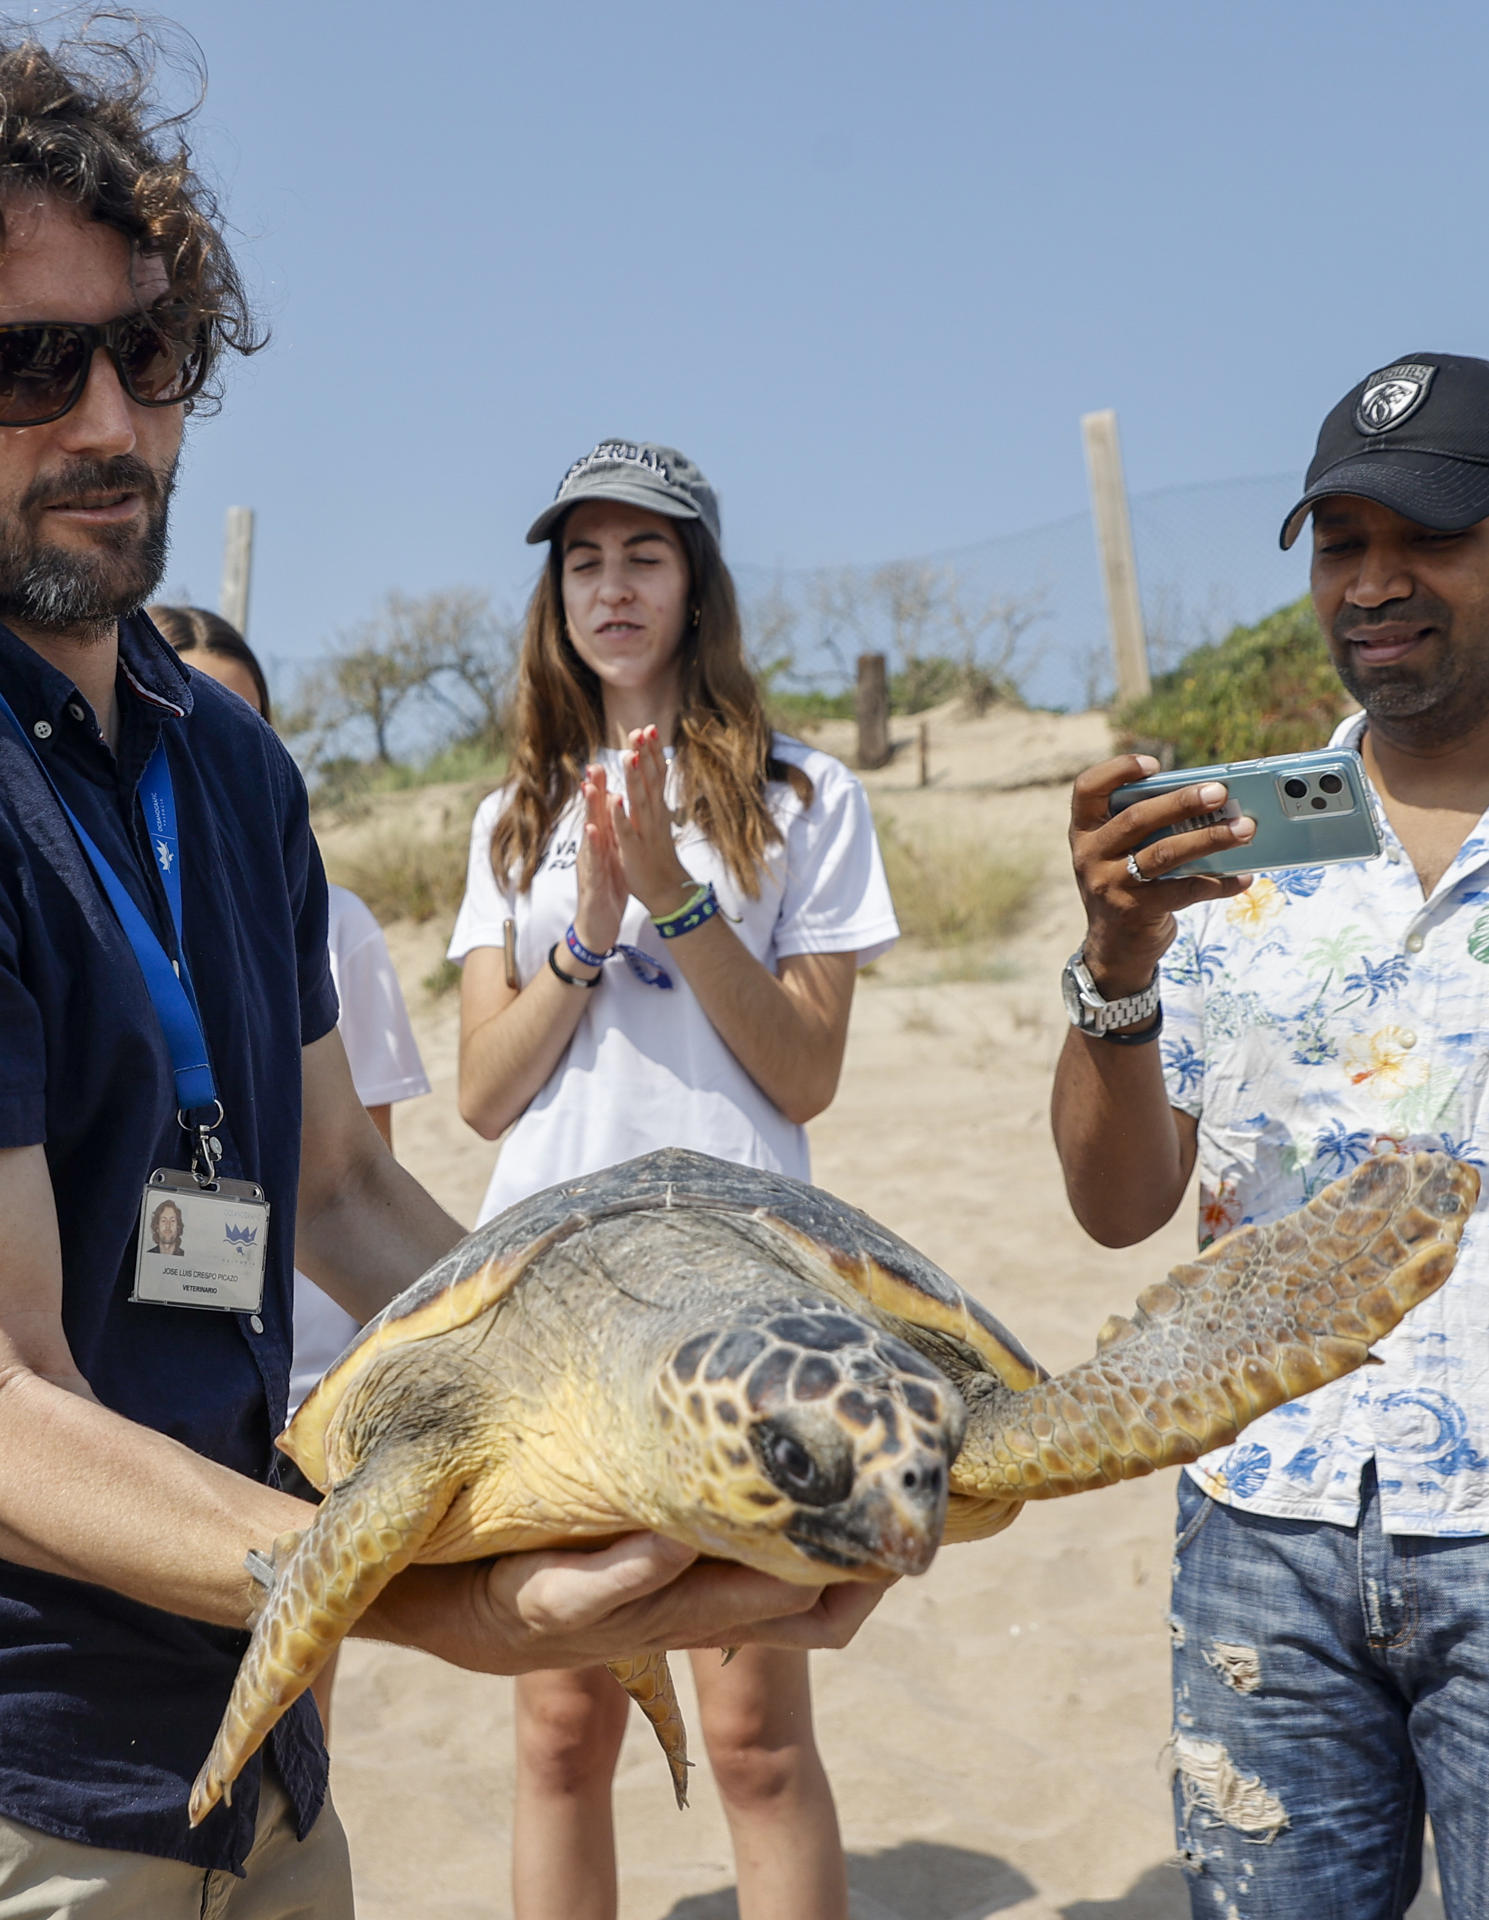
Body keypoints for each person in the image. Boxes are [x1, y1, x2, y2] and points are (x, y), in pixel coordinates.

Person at [0, 34, 884, 1917]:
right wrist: (429, 1592)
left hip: (264, 1737)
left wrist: (628, 1400)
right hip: (40, 1773)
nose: (101, 421)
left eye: (142, 357)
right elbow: (7, 1402)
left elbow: (338, 1186)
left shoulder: (222, 760)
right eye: (25, 363)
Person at [1051, 353, 1489, 1917]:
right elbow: (1119, 1209)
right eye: (1339, 543)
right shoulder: (1235, 852)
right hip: (1261, 1523)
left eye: (1426, 536)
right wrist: (1116, 969)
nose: (1374, 584)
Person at [448, 437, 900, 1920]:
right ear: (554, 593)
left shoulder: (804, 795)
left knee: (756, 1738)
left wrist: (677, 897)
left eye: (643, 554)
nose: (611, 585)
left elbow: (804, 1072)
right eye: (582, 558)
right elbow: (483, 1090)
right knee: (562, 1724)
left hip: (745, 1309)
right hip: (557, 1310)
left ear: (697, 582)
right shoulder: (506, 814)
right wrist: (580, 932)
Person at [147, 604, 431, 1427]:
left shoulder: (323, 912)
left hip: (312, 1381)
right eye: (183, 714)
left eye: (242, 725)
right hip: (135, 1422)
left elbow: (351, 1170)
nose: (205, 755)